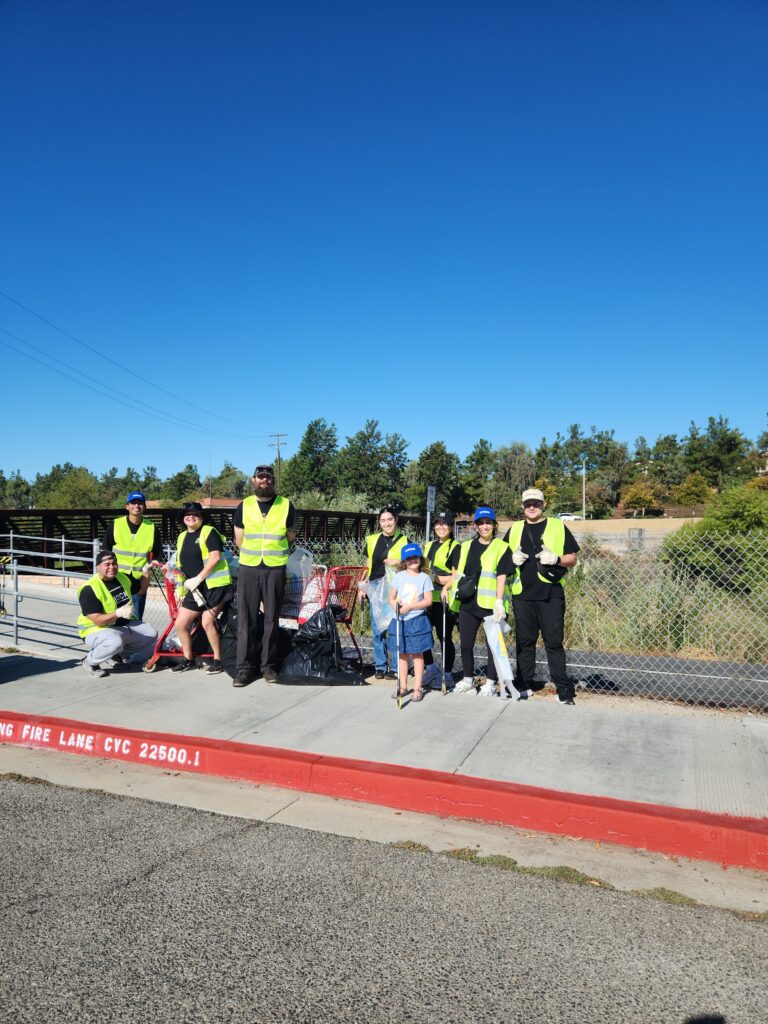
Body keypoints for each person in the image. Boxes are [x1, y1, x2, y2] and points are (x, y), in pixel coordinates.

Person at [504, 487, 580, 705]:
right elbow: (504, 560)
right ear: (522, 506)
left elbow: (572, 558)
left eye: (536, 503)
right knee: (524, 642)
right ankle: (523, 683)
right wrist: (512, 559)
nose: (531, 507)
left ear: (543, 505)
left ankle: (563, 689)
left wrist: (555, 558)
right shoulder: (515, 529)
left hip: (550, 594)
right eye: (528, 503)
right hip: (522, 595)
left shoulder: (557, 526)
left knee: (553, 643)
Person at [232, 465, 297, 686]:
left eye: (268, 478)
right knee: (246, 619)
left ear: (273, 480)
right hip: (249, 567)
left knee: (271, 619)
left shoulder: (286, 504)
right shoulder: (245, 505)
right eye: (260, 477)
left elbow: (290, 536)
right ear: (254, 480)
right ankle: (244, 668)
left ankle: (268, 666)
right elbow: (238, 539)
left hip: (274, 568)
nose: (264, 481)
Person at [443, 507, 514, 695]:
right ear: (475, 526)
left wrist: (499, 601)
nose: (484, 526)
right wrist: (446, 587)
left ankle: (490, 683)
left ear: (494, 525)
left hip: (491, 605)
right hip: (468, 603)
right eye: (480, 523)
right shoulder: (464, 547)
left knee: (493, 645)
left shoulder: (502, 547)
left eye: (488, 523)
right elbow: (456, 574)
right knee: (466, 644)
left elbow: (501, 576)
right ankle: (468, 679)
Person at [171, 501, 233, 675]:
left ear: (201, 517)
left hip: (215, 586)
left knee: (207, 622)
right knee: (181, 624)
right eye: (187, 514)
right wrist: (180, 586)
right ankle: (188, 659)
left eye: (195, 514)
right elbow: (180, 565)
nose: (191, 517)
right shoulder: (182, 536)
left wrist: (198, 578)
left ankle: (218, 659)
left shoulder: (209, 532)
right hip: (194, 589)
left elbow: (215, 558)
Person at [77, 550, 158, 677]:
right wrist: (118, 613)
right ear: (98, 566)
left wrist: (146, 571)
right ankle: (90, 661)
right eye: (107, 564)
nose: (112, 567)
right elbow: (97, 620)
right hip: (94, 629)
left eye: (114, 563)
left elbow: (141, 590)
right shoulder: (89, 589)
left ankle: (114, 655)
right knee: (115, 641)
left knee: (150, 633)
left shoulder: (123, 577)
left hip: (119, 626)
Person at [359, 506, 409, 679]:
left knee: (394, 628)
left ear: (396, 520)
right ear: (379, 522)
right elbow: (368, 563)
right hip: (375, 588)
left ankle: (396, 667)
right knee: (377, 628)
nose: (387, 523)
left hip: (395, 590)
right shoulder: (372, 540)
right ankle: (380, 666)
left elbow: (412, 565)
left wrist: (399, 561)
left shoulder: (404, 541)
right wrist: (363, 585)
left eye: (390, 519)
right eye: (383, 520)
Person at [103, 491, 164, 619]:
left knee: (136, 619)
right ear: (127, 506)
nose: (137, 506)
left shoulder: (152, 528)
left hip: (138, 581)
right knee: (114, 617)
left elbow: (158, 554)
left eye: (140, 503)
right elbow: (105, 552)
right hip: (117, 579)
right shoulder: (115, 525)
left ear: (145, 507)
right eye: (133, 503)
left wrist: (152, 565)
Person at [387, 543, 434, 702]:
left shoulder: (424, 578)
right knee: (402, 654)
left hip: (416, 620)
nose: (412, 560)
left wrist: (410, 607)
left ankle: (417, 688)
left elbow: (428, 601)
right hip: (399, 620)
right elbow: (391, 597)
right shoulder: (399, 576)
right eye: (408, 559)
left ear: (420, 558)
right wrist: (394, 605)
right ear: (404, 561)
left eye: (415, 557)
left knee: (417, 654)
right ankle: (402, 686)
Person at [422, 511, 459, 689]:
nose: (441, 527)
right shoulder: (428, 545)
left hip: (444, 599)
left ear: (451, 527)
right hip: (426, 598)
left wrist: (435, 578)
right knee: (422, 635)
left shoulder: (456, 547)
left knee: (444, 637)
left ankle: (447, 674)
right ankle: (430, 669)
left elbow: (455, 577)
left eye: (445, 524)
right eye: (438, 523)